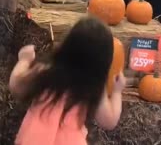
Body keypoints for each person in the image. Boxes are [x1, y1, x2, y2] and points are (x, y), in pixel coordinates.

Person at [9, 17, 126, 145]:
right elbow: (109, 121)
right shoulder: (93, 86)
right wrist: (116, 92)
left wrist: (24, 60)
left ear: (67, 45)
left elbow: (16, 86)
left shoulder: (45, 71)